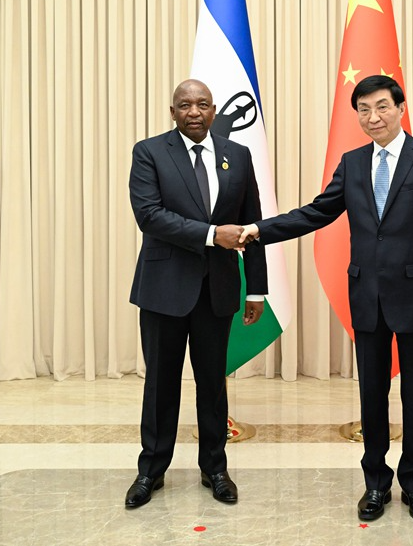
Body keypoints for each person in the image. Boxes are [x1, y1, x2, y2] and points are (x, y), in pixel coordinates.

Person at [240, 75, 413, 524]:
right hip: (367, 296)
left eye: (382, 107)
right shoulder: (353, 162)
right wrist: (261, 229)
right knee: (371, 394)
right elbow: (317, 212)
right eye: (364, 109)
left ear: (400, 108)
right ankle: (375, 482)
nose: (373, 117)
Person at [125, 79, 267, 509]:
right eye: (184, 105)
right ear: (172, 112)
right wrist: (210, 235)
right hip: (163, 290)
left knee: (212, 385)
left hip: (217, 291)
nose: (193, 112)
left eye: (202, 104)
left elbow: (252, 224)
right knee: (160, 384)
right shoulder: (149, 152)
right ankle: (151, 470)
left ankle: (215, 469)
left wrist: (257, 289)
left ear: (213, 110)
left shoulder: (237, 155)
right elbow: (149, 215)